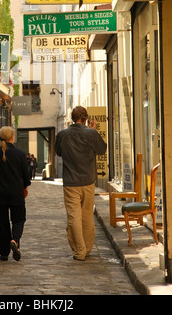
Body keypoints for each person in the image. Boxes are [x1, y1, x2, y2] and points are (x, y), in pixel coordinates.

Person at [55, 106, 107, 261]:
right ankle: (87, 248)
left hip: (71, 182)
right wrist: (93, 132)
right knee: (87, 216)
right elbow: (102, 150)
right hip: (88, 180)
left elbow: (58, 152)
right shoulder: (90, 133)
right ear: (86, 118)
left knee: (74, 217)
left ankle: (79, 250)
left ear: (72, 118)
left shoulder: (63, 134)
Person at [0, 126, 31, 261]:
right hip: (16, 192)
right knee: (18, 219)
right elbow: (25, 175)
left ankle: (4, 252)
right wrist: (25, 187)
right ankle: (15, 241)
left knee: (1, 223)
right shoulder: (20, 154)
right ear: (12, 138)